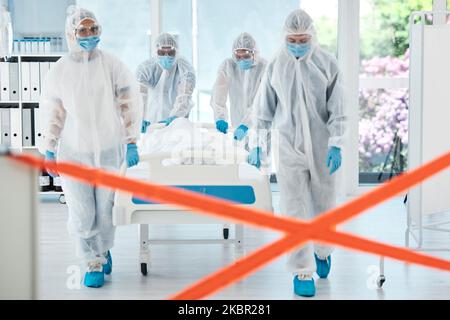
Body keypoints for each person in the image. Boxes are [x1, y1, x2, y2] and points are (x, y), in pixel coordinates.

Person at [40, 6, 143, 288]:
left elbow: (129, 102)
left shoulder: (112, 65)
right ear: (72, 34)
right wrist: (49, 148)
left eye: (93, 29)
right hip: (74, 153)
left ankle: (103, 248)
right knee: (82, 211)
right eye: (82, 30)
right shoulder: (60, 70)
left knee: (106, 210)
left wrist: (132, 140)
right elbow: (53, 111)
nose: (89, 35)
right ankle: (92, 261)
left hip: (110, 151)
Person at [248, 9, 346, 297]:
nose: (298, 43)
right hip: (288, 146)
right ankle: (302, 271)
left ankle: (323, 250)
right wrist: (258, 143)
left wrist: (337, 143)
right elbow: (263, 110)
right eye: (293, 38)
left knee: (324, 204)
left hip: (321, 145)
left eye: (303, 38)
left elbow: (339, 108)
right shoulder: (276, 66)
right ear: (284, 37)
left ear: (312, 35)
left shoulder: (327, 63)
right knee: (293, 208)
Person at [211, 32, 267, 141]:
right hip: (236, 129)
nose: (241, 60)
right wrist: (220, 117)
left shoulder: (264, 68)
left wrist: (247, 124)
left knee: (260, 155)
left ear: (254, 53)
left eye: (246, 56)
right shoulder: (228, 66)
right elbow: (218, 94)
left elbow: (262, 101)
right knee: (238, 156)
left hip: (260, 129)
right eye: (238, 56)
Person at [136, 33, 196, 133]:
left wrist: (175, 117)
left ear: (176, 51)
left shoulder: (185, 70)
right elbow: (139, 96)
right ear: (156, 52)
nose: (166, 56)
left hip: (177, 126)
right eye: (162, 52)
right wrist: (139, 118)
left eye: (170, 52)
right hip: (151, 125)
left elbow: (184, 97)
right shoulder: (145, 69)